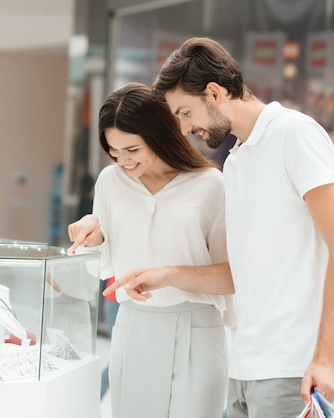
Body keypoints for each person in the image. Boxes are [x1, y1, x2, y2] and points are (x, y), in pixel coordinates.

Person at [104, 37, 334, 417]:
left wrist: (324, 359)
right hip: (244, 366)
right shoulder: (237, 160)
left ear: (214, 93)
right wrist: (170, 274)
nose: (185, 127)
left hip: (292, 366)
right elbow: (240, 274)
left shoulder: (294, 134)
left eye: (186, 112)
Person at [67, 82, 235, 418]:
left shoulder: (210, 185)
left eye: (132, 149)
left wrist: (171, 276)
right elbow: (102, 270)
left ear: (159, 135)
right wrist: (97, 239)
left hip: (198, 328)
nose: (123, 160)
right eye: (114, 151)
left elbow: (230, 277)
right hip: (135, 324)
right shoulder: (110, 182)